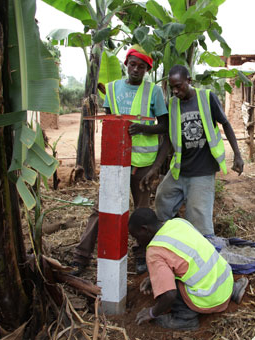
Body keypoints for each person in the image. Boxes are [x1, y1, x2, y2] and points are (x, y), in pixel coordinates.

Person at [71, 45, 169, 275]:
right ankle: (81, 256)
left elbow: (165, 126)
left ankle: (142, 255)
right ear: (126, 64)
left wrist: (144, 128)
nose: (136, 69)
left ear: (147, 70)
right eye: (132, 64)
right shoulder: (113, 89)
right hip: (116, 163)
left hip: (143, 164)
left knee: (142, 211)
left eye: (141, 67)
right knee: (101, 208)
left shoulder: (153, 91)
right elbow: (109, 125)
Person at [146, 64, 244, 236]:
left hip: (202, 170)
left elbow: (226, 124)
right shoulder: (173, 104)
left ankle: (204, 250)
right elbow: (169, 138)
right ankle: (173, 235)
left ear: (189, 81)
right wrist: (155, 168)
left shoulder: (207, 97)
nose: (175, 91)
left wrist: (237, 154)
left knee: (198, 218)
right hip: (181, 169)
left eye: (178, 86)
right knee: (163, 197)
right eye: (172, 87)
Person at [130, 208, 249, 330]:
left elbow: (169, 295)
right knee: (198, 267)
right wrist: (153, 277)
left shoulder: (154, 251)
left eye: (136, 237)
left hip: (209, 298)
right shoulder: (178, 223)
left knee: (170, 286)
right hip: (226, 281)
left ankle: (184, 319)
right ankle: (234, 290)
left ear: (144, 230)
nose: (137, 242)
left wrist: (152, 313)